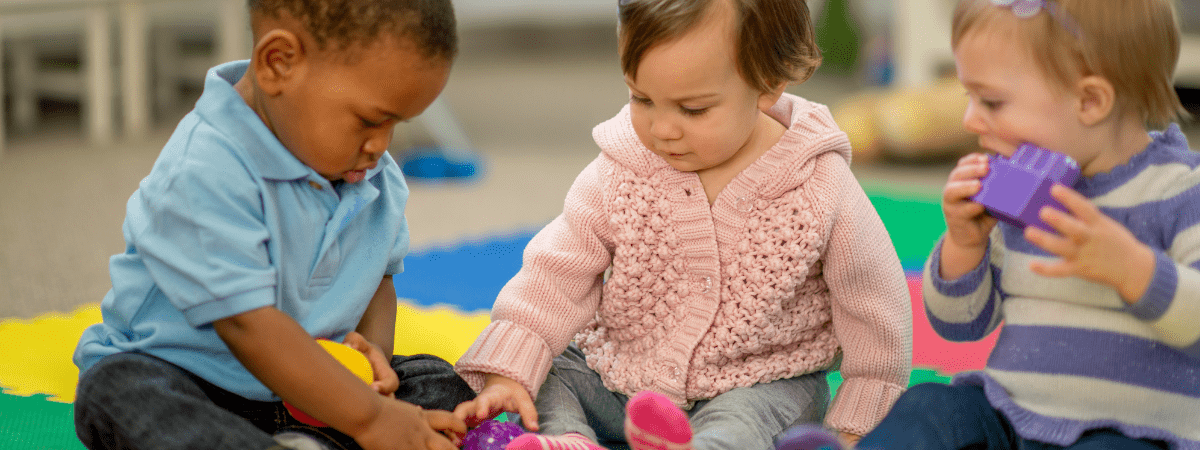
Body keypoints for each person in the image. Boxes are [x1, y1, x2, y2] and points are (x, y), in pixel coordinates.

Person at [451, 0, 914, 449]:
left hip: (756, 384)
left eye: (692, 110)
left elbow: (873, 303)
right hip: (622, 376)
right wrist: (509, 371)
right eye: (642, 98)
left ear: (767, 83)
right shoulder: (621, 169)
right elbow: (557, 272)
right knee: (553, 372)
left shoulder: (818, 183)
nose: (662, 129)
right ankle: (568, 438)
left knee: (746, 425)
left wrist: (861, 411)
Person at [780, 0, 1200, 449]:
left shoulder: (1179, 193)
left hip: (1130, 431)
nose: (970, 120)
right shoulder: (1021, 187)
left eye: (992, 101)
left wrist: (1131, 267)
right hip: (1009, 416)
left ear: (1090, 100)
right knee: (929, 407)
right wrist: (965, 246)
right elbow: (960, 327)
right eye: (969, 97)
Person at [71, 1, 476, 449]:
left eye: (396, 124)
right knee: (116, 394)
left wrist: (370, 360)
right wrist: (371, 418)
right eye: (369, 120)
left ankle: (311, 438)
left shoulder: (374, 176)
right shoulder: (205, 169)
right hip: (193, 378)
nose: (381, 145)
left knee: (440, 383)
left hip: (315, 386)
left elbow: (378, 277)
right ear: (279, 64)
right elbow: (247, 326)